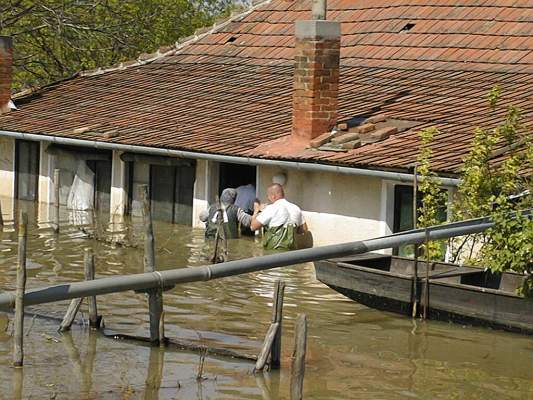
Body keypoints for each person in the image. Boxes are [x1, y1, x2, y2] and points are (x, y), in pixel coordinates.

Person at [250, 183, 307, 250]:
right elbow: (304, 229)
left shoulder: (271, 208)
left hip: (273, 251)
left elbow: (253, 227)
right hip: (292, 251)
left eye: (268, 196)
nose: (268, 198)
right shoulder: (296, 208)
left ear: (273, 196)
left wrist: (256, 210)